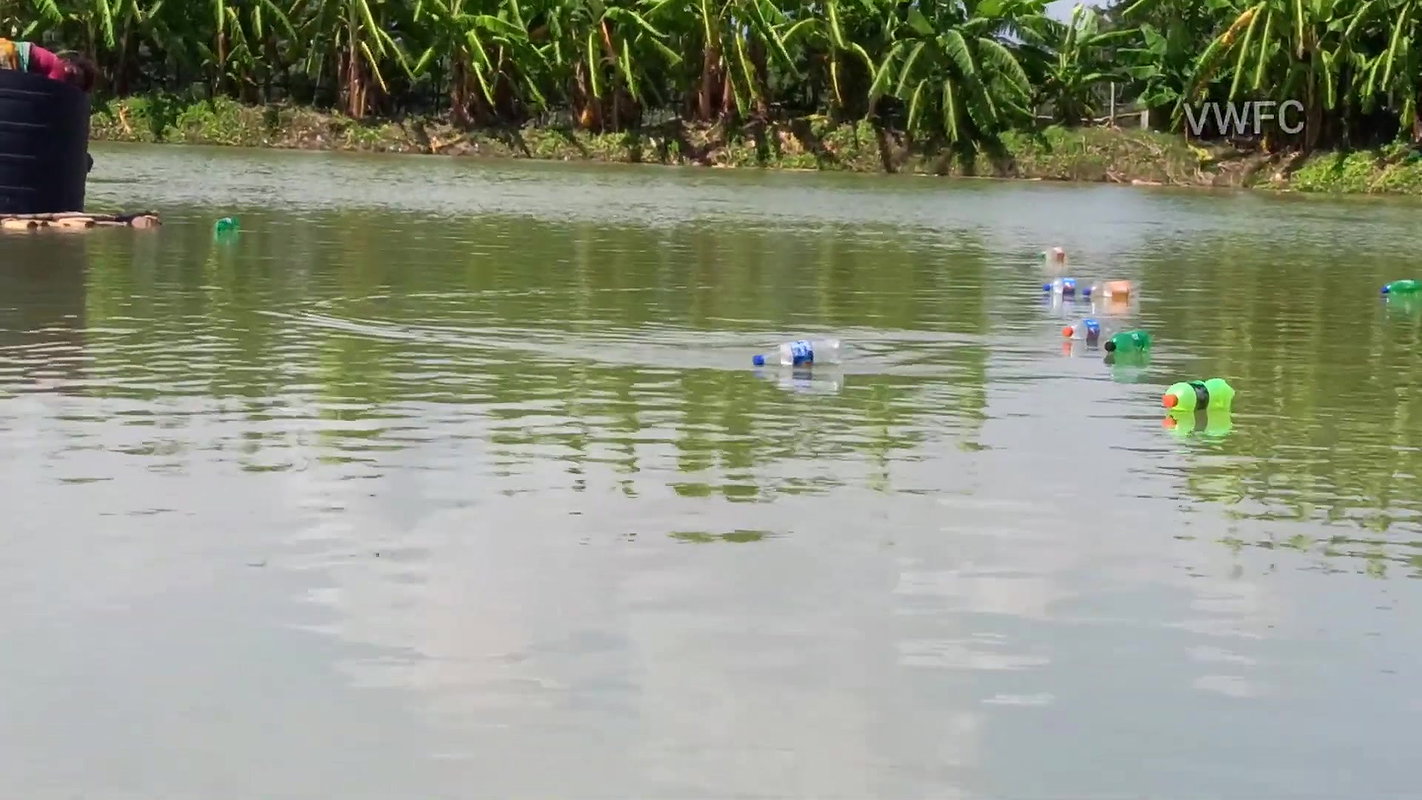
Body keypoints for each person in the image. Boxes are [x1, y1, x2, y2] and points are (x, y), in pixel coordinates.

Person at [0, 39, 96, 92]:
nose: (71, 77)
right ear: (68, 62)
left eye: (75, 81)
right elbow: (48, 90)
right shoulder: (59, 67)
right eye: (73, 73)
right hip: (10, 55)